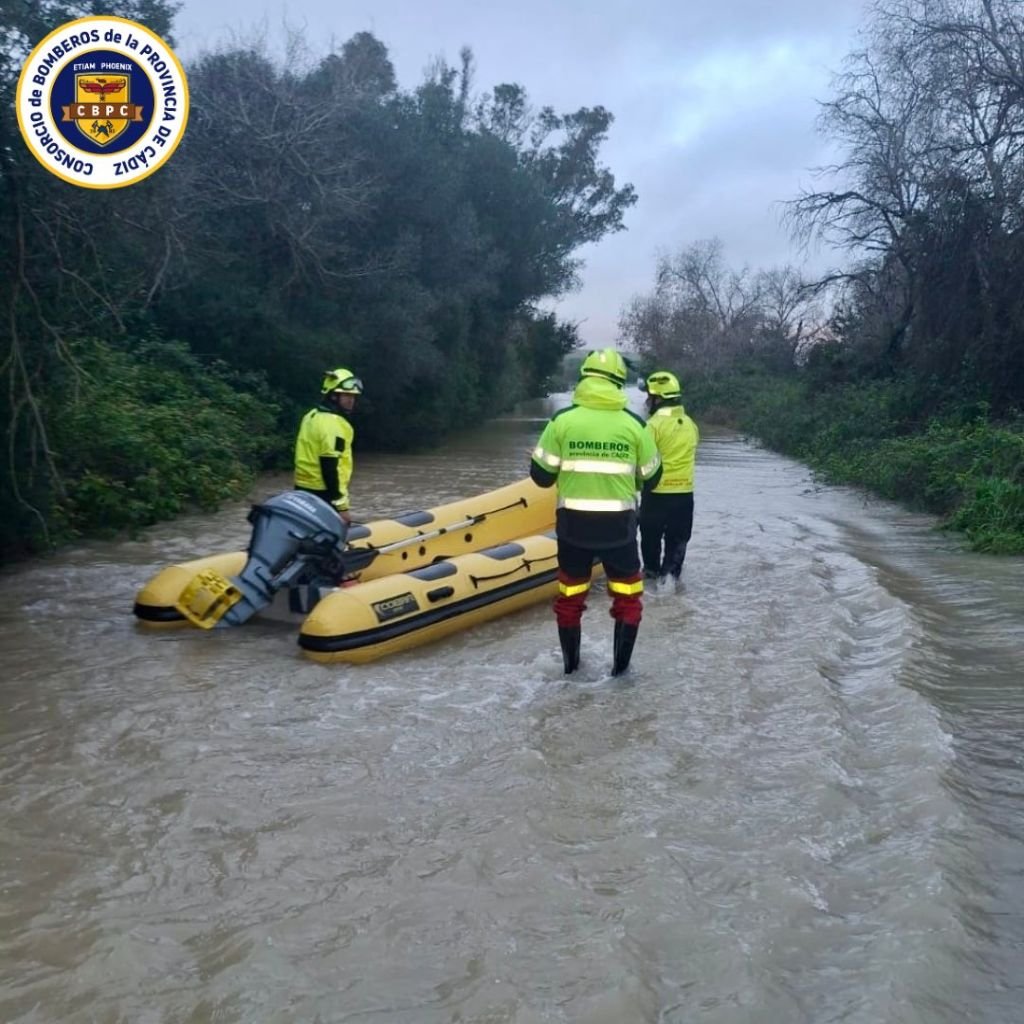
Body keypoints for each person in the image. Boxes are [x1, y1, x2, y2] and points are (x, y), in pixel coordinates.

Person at [530, 348, 662, 676]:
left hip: (573, 529)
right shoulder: (634, 425)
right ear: (620, 382)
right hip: (619, 530)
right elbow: (653, 477)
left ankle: (570, 670)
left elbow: (541, 477)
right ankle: (620, 675)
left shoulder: (562, 421)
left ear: (583, 378)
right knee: (628, 598)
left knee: (570, 598)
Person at [639, 370, 699, 588]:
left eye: (649, 396)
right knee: (676, 548)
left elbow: (642, 461)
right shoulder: (691, 424)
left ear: (657, 399)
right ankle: (672, 587)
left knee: (650, 553)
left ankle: (652, 587)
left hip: (656, 495)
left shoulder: (652, 426)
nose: (647, 401)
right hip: (684, 496)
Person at [294, 367, 363, 523]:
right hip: (324, 493)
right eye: (346, 395)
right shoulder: (333, 424)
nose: (351, 400)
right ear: (333, 396)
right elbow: (330, 466)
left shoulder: (311, 416)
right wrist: (341, 507)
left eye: (353, 396)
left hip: (302, 489)